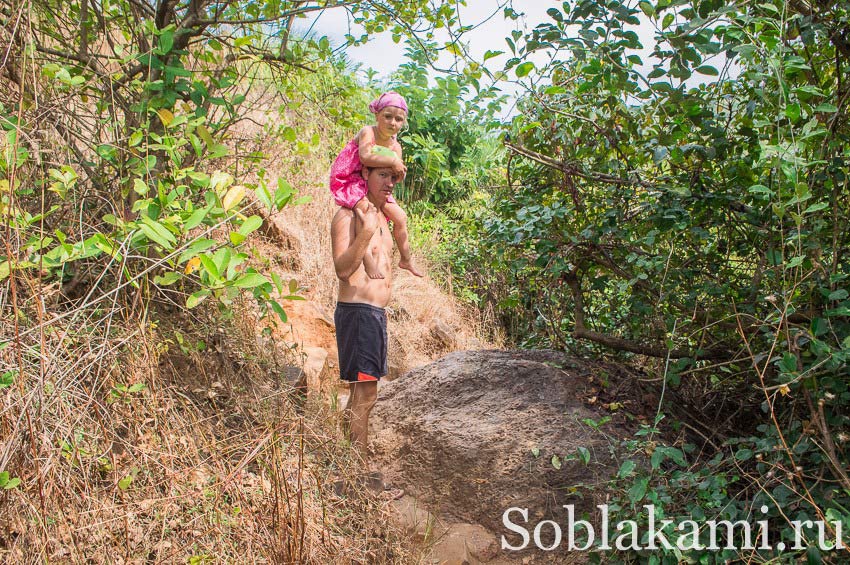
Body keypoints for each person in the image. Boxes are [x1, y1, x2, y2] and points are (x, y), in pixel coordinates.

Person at [331, 164, 403, 466]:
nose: (389, 183)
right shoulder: (348, 216)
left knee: (360, 395)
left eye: (394, 177)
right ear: (364, 176)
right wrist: (367, 232)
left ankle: (347, 465)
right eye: (382, 175)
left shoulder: (384, 218)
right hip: (359, 314)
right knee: (366, 396)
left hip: (372, 316)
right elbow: (342, 269)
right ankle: (359, 476)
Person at [329, 91, 423, 279]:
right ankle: (367, 261)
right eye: (387, 117)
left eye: (399, 119)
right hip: (351, 176)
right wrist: (392, 162)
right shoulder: (368, 132)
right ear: (377, 115)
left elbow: (398, 173)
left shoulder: (396, 146)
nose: (392, 123)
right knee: (364, 211)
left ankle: (406, 259)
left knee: (401, 217)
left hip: (374, 181)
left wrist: (398, 170)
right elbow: (364, 156)